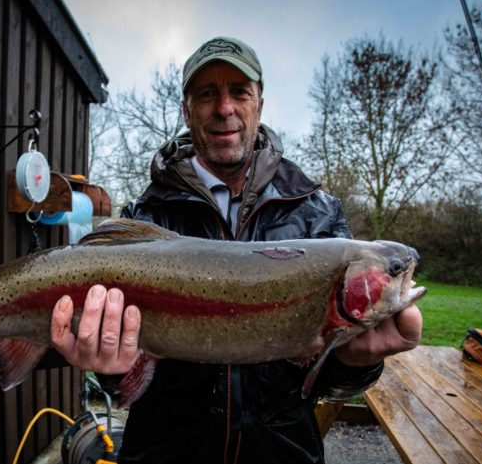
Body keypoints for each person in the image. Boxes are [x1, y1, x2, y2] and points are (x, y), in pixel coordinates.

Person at [50, 36, 422, 464]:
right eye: (207, 93)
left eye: (239, 91)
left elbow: (328, 389)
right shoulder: (145, 216)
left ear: (259, 103)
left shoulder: (319, 214)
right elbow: (128, 385)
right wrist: (110, 369)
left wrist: (357, 361)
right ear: (187, 111)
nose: (224, 107)